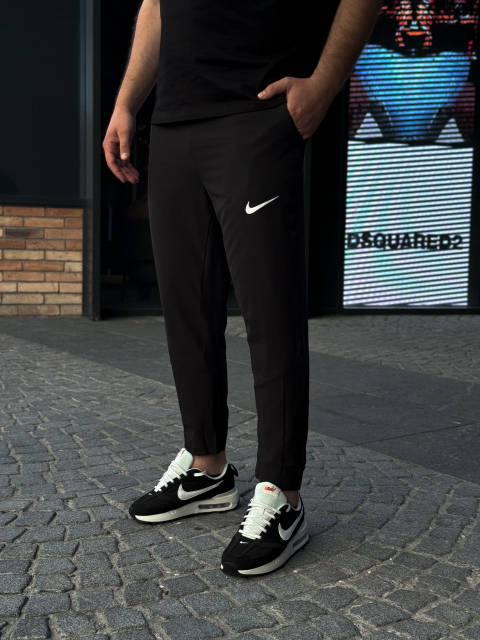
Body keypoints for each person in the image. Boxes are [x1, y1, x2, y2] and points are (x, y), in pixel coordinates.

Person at [103, 0, 384, 577]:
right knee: (187, 306)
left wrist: (324, 84)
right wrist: (127, 101)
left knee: (270, 310)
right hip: (174, 119)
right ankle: (206, 468)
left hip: (255, 112)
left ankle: (283, 495)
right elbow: (156, 5)